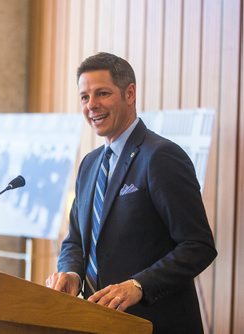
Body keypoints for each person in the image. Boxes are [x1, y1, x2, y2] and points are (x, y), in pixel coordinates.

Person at [45, 52, 217, 334]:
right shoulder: (89, 164)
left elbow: (198, 246)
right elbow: (75, 240)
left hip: (155, 323)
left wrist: (139, 286)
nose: (92, 106)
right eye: (84, 98)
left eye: (102, 93)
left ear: (130, 93)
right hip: (97, 323)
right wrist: (72, 273)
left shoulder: (161, 157)